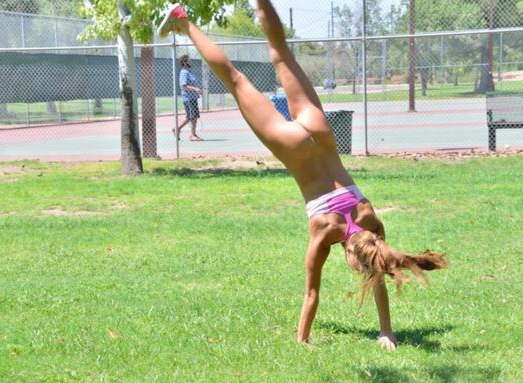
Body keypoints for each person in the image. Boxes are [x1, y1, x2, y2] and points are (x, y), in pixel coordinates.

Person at [158, 1, 447, 350]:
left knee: (282, 55)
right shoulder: (326, 234)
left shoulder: (372, 224)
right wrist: (303, 341)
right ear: (353, 255)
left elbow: (380, 267)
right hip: (292, 148)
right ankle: (184, 22)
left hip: (320, 133)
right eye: (356, 266)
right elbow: (312, 294)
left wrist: (387, 329)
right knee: (235, 79)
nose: (358, 270)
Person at [174, 54, 204, 141]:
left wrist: (198, 89)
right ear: (184, 62)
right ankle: (190, 134)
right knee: (191, 116)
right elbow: (183, 86)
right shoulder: (184, 72)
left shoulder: (189, 71)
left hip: (193, 98)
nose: (191, 61)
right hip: (188, 98)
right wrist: (195, 89)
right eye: (189, 60)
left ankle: (189, 133)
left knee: (193, 116)